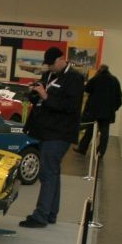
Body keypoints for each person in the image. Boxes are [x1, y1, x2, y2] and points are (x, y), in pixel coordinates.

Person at [19, 47, 84, 229]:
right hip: (45, 131)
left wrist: (45, 95)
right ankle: (50, 214)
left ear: (62, 59)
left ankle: (40, 216)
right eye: (47, 64)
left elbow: (70, 106)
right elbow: (40, 100)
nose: (50, 67)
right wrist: (34, 93)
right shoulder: (49, 75)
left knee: (47, 173)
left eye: (52, 63)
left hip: (60, 133)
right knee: (52, 173)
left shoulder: (74, 79)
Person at [75, 64, 122, 157]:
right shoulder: (115, 80)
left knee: (89, 130)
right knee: (104, 133)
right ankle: (100, 152)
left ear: (99, 70)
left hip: (94, 111)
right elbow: (119, 98)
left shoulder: (96, 79)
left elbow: (87, 89)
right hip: (107, 112)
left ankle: (82, 149)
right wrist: (113, 108)